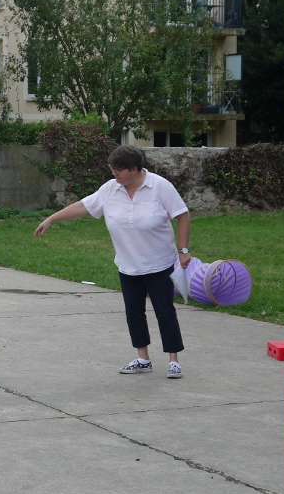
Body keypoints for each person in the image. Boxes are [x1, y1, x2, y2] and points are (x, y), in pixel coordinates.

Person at [34, 145, 191, 380]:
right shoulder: (110, 189)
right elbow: (83, 206)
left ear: (135, 169)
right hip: (128, 265)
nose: (114, 174)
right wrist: (51, 219)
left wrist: (183, 250)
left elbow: (182, 215)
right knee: (134, 312)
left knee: (164, 311)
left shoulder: (159, 186)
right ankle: (143, 358)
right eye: (113, 169)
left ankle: (173, 360)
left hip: (158, 263)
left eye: (119, 170)